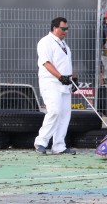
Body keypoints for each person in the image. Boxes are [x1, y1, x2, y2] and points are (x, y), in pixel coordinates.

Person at [34, 17, 77, 155]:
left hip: (65, 85)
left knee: (65, 115)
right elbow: (46, 63)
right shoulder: (45, 42)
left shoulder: (64, 45)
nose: (66, 31)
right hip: (51, 83)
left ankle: (59, 146)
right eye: (63, 28)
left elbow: (65, 64)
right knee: (54, 111)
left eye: (67, 29)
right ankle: (40, 142)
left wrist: (74, 78)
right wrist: (60, 77)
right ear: (55, 28)